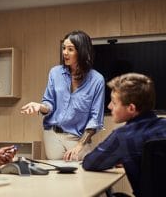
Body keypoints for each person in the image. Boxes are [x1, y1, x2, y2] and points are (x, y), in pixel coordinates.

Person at [82, 73, 166, 197]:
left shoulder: (122, 136)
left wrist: (119, 157)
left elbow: (90, 163)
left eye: (114, 102)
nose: (109, 106)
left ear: (131, 108)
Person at [21, 30, 105, 161]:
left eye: (70, 49)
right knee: (56, 177)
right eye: (64, 48)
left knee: (81, 177)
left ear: (82, 51)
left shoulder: (97, 80)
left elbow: (95, 120)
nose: (65, 52)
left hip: (78, 138)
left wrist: (78, 146)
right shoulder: (55, 73)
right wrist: (39, 106)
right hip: (52, 134)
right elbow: (49, 104)